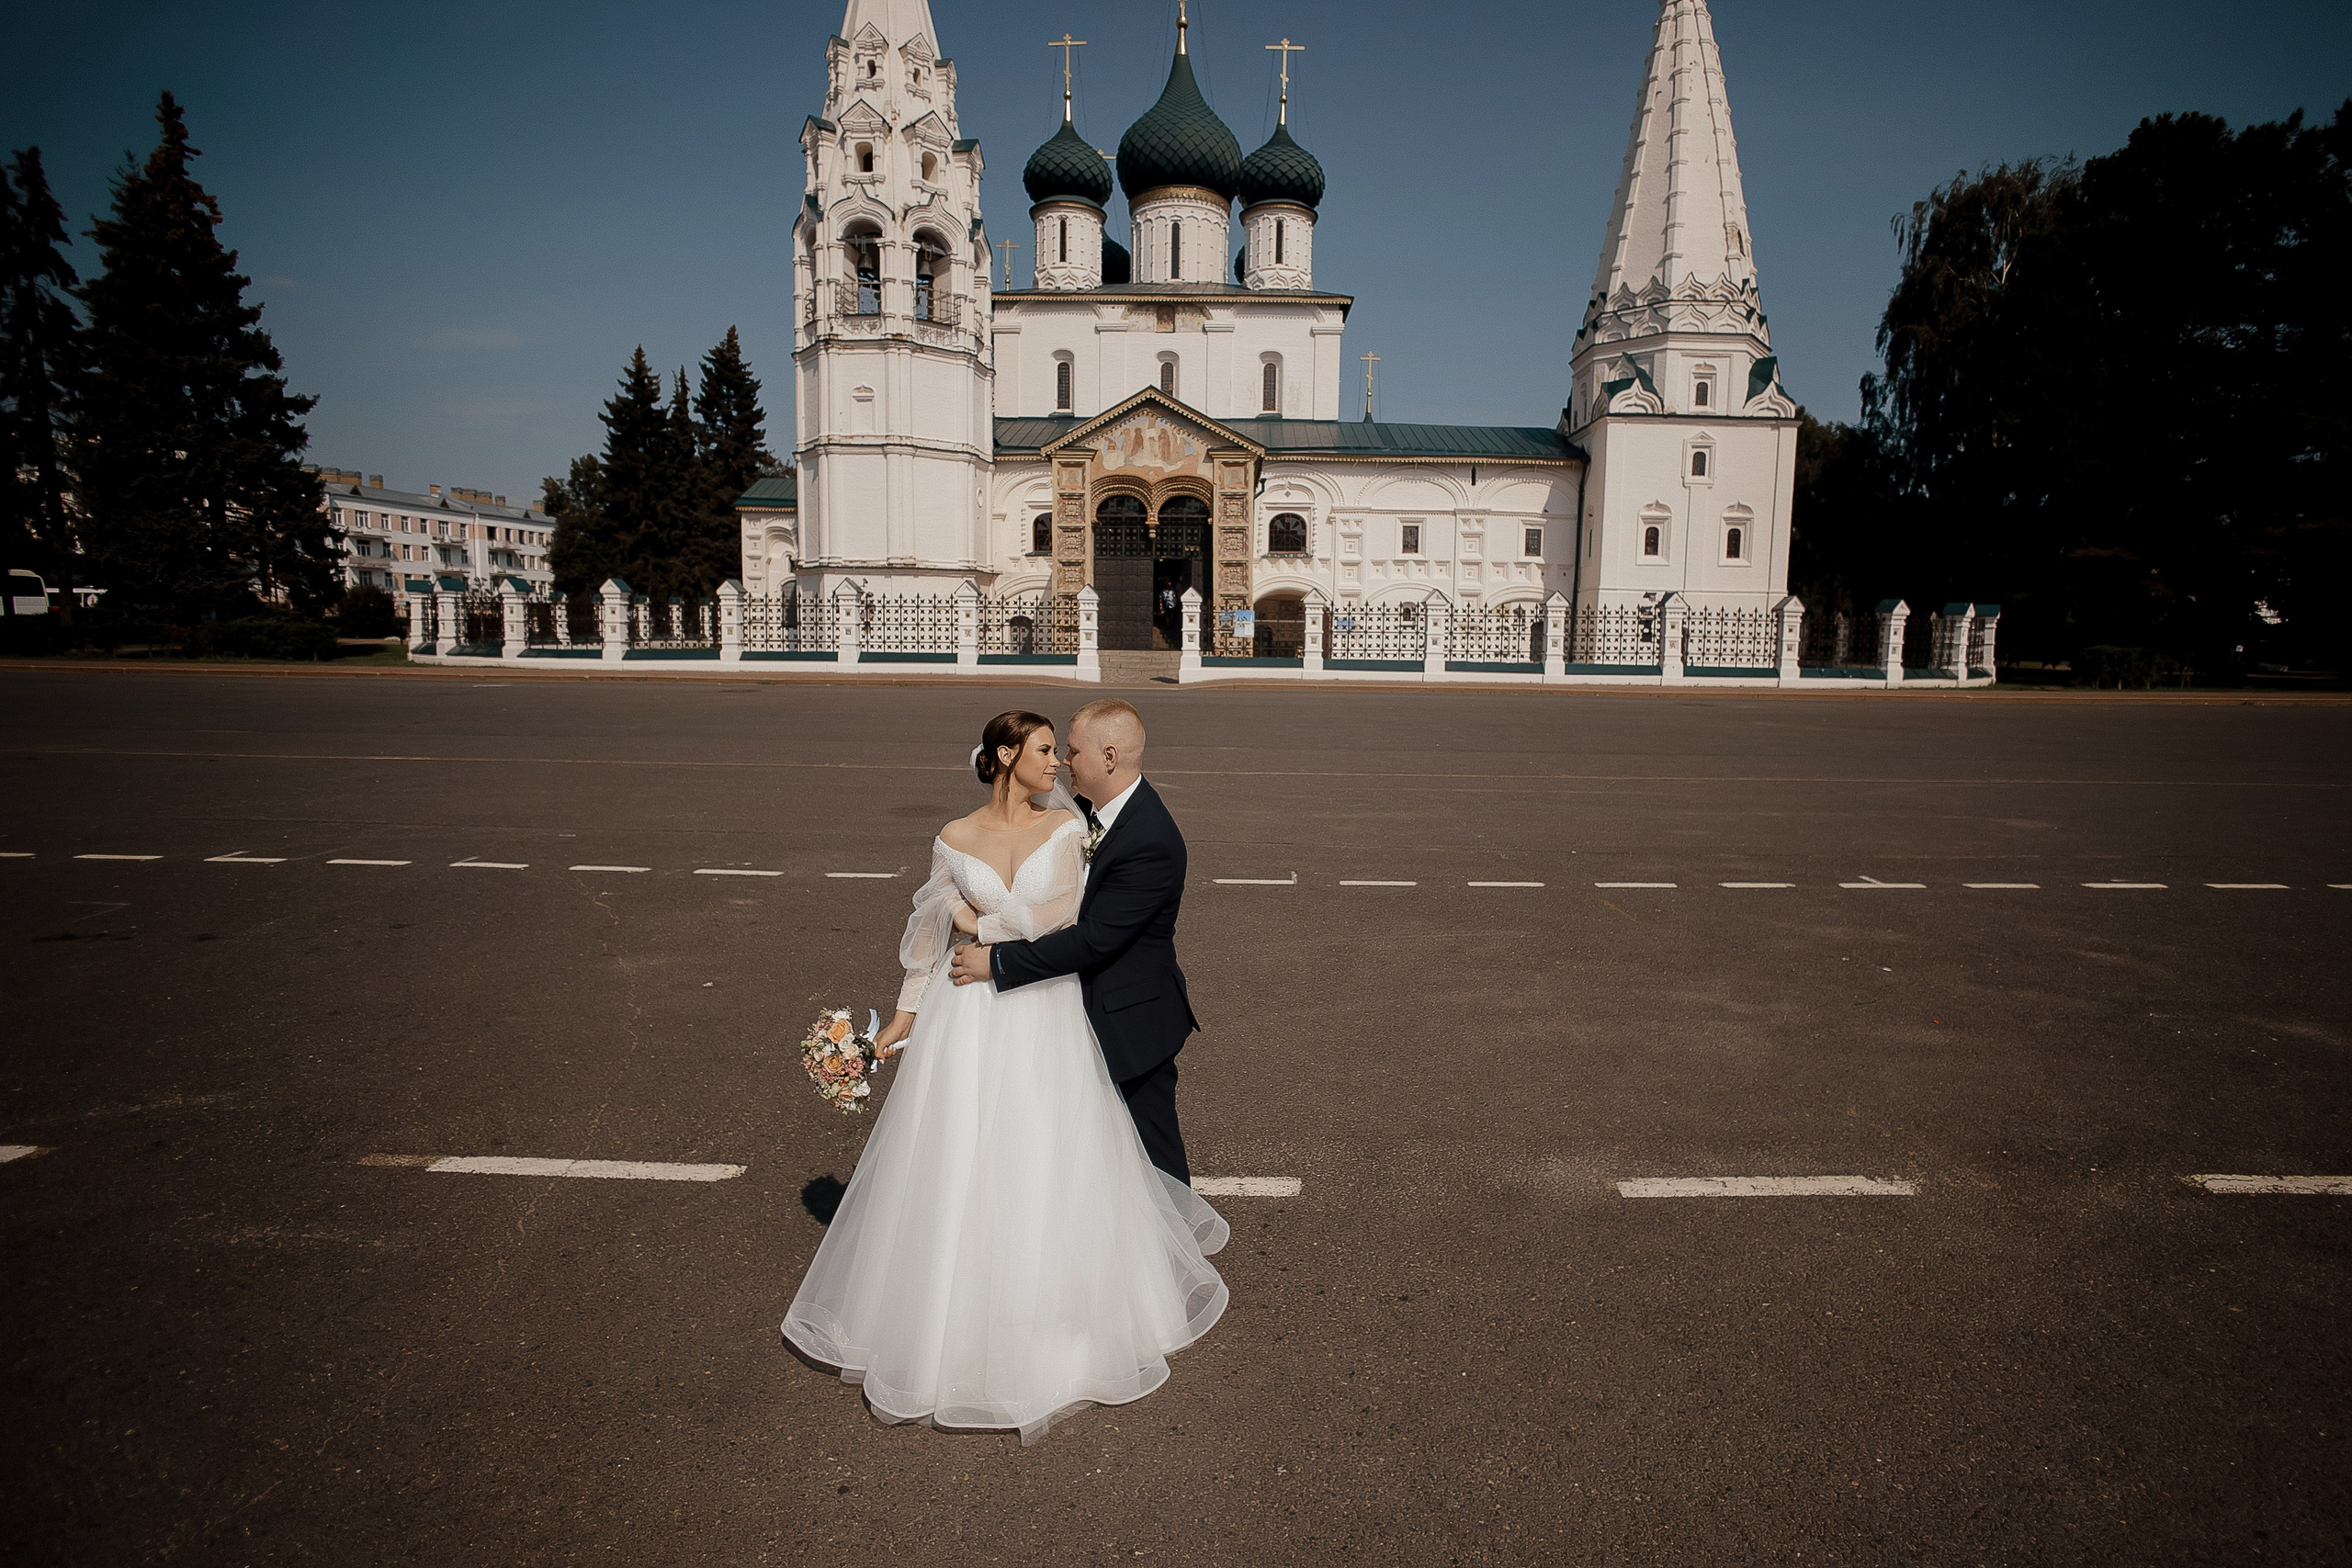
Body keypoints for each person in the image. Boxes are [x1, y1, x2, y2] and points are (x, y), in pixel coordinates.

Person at [781, 709, 1227, 1444]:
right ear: (1005, 755)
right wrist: (901, 1017)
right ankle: (957, 1316)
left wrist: (983, 927)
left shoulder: (1070, 830)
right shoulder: (954, 838)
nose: (1059, 763)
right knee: (963, 1159)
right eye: (1049, 750)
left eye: (1067, 750)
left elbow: (1076, 920)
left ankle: (1069, 1315)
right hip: (969, 1018)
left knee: (1051, 1153)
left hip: (1042, 1008)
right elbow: (927, 936)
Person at [948, 697, 1199, 1181]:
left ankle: (1176, 1255)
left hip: (1131, 1024)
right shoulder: (1085, 811)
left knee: (1153, 1160)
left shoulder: (1151, 839)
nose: (1064, 762)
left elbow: (1094, 940)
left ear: (1109, 757)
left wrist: (996, 962)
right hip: (1073, 1011)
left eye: (1073, 751)